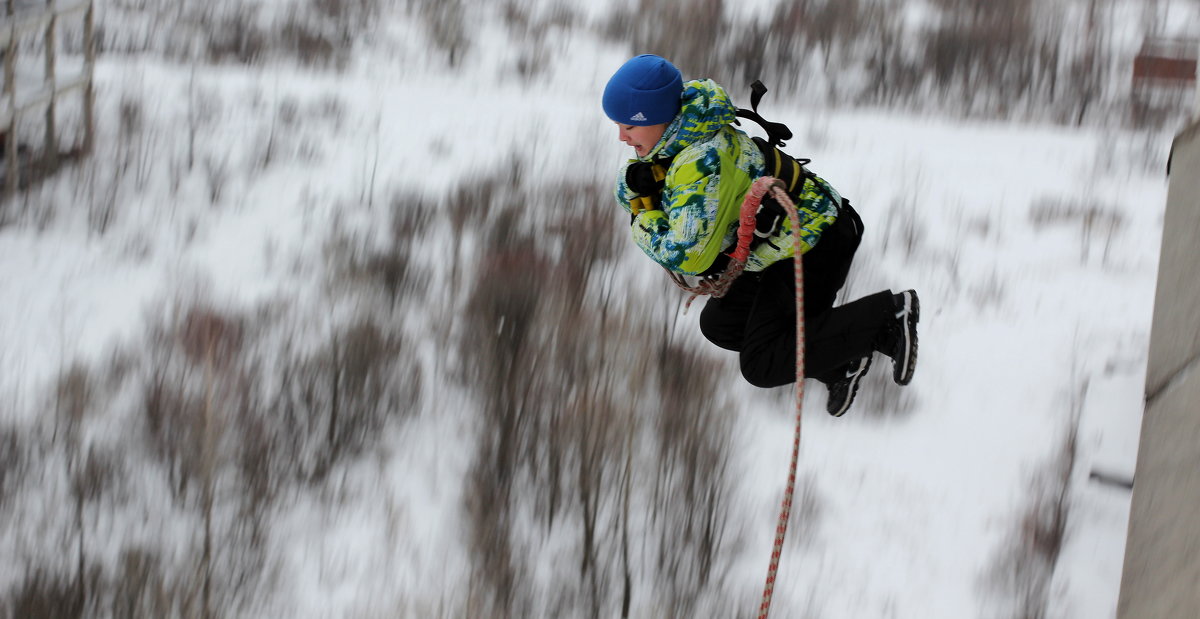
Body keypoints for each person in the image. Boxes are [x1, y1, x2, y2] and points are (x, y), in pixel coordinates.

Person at [602, 54, 920, 416]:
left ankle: (887, 317)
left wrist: (642, 220)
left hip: (815, 243)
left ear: (656, 115)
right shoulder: (680, 134)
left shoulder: (700, 160)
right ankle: (840, 364)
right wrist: (634, 187)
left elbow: (689, 256)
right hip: (778, 247)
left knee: (762, 362)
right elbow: (633, 177)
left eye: (629, 125)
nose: (621, 136)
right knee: (720, 325)